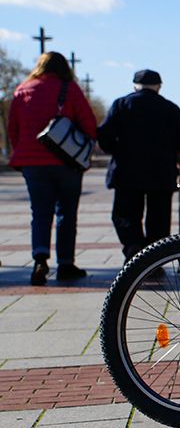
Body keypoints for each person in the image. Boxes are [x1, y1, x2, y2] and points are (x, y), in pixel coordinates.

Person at [6, 52, 97, 285]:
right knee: (66, 213)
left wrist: (24, 153)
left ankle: (40, 259)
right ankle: (66, 263)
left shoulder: (22, 90)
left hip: (33, 164)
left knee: (40, 211)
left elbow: (13, 128)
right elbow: (88, 123)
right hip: (66, 162)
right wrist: (83, 151)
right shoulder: (69, 89)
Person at [97, 69, 180, 262]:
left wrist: (117, 151)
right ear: (159, 87)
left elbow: (104, 135)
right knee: (159, 219)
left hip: (126, 171)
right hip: (161, 172)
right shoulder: (169, 108)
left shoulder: (121, 104)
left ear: (135, 85)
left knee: (125, 215)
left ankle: (134, 250)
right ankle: (153, 259)